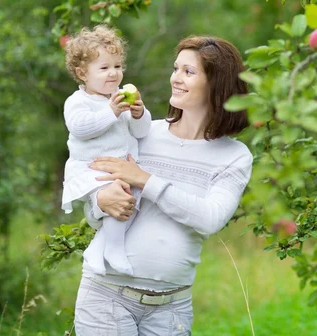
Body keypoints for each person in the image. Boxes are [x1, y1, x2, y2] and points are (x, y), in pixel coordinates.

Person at [74, 36, 253, 335]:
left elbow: (210, 219)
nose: (176, 79)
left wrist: (144, 179)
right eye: (175, 68)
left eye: (188, 72)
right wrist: (100, 202)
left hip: (172, 308)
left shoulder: (233, 156)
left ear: (216, 83)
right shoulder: (143, 132)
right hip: (107, 296)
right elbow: (95, 206)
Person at [62, 25, 151, 276]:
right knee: (117, 194)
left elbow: (142, 132)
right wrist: (111, 112)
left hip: (122, 168)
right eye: (104, 68)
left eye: (117, 66)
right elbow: (80, 128)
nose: (113, 74)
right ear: (82, 73)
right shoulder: (78, 102)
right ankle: (113, 248)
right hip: (92, 168)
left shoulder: (120, 97)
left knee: (133, 199)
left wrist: (139, 114)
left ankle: (99, 246)